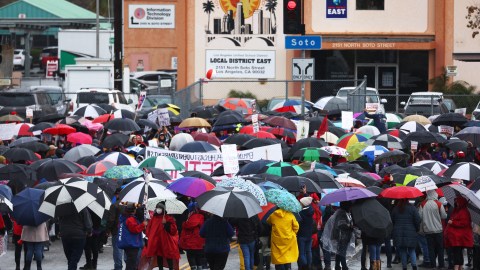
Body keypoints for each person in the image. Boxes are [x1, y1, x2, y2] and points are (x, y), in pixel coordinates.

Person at [144, 202, 179, 270]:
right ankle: (160, 268)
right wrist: (147, 237)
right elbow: (149, 228)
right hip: (157, 241)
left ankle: (171, 268)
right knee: (159, 256)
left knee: (169, 255)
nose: (158, 209)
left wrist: (166, 224)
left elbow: (173, 230)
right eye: (157, 208)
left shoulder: (168, 218)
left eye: (160, 208)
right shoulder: (154, 218)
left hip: (166, 241)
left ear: (163, 209)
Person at [418, 190, 447, 269]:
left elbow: (420, 217)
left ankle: (433, 265)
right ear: (435, 195)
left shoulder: (423, 204)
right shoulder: (439, 204)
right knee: (440, 248)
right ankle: (441, 265)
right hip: (438, 230)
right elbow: (444, 216)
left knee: (430, 248)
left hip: (427, 230)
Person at [444, 196, 473, 270]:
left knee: (457, 252)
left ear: (461, 202)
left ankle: (456, 267)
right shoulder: (457, 210)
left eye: (457, 201)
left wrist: (452, 222)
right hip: (456, 237)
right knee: (458, 252)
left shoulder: (464, 211)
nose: (456, 203)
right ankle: (459, 266)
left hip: (459, 237)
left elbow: (464, 223)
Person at [391, 199, 421, 270]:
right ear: (407, 200)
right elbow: (417, 220)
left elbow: (392, 221)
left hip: (398, 232)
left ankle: (404, 267)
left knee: (402, 250)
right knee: (412, 250)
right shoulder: (413, 208)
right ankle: (414, 266)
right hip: (411, 232)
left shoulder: (395, 209)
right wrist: (417, 229)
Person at [118, 203, 147, 270]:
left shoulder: (123, 217)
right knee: (131, 263)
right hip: (132, 244)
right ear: (133, 210)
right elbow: (135, 229)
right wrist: (143, 225)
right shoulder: (130, 219)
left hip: (128, 242)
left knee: (130, 262)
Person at [179, 203, 206, 270]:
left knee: (191, 257)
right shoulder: (201, 216)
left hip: (191, 241)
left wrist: (184, 223)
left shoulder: (194, 217)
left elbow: (189, 225)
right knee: (198, 257)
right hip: (199, 241)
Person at [105, 190, 123, 270]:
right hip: (127, 230)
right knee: (127, 250)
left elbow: (111, 220)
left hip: (117, 230)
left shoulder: (114, 205)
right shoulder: (130, 204)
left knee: (117, 249)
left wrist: (108, 230)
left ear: (117, 195)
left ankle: (118, 267)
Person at [297, 196, 314, 270]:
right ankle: (309, 265)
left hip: (301, 235)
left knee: (301, 252)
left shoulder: (301, 213)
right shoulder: (311, 211)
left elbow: (298, 224)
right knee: (308, 251)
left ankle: (304, 265)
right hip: (309, 234)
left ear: (304, 204)